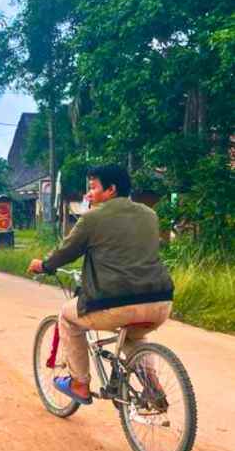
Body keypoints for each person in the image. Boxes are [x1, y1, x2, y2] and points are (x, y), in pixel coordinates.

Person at [27, 164, 174, 404]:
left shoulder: (92, 218)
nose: (88, 194)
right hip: (160, 302)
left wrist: (43, 265)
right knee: (133, 336)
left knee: (67, 317)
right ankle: (152, 387)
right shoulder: (149, 214)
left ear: (111, 189)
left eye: (93, 187)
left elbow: (67, 251)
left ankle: (79, 384)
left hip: (116, 305)